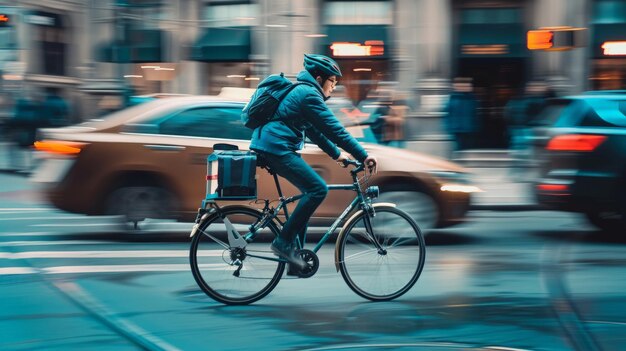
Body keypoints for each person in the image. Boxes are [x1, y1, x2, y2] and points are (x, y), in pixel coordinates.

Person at [250, 54, 378, 270]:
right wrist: (363, 155)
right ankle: (282, 243)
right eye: (333, 81)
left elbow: (315, 131)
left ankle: (294, 259)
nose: (334, 87)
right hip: (276, 147)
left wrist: (337, 155)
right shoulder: (308, 94)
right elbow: (335, 129)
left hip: (275, 146)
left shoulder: (303, 93)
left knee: (309, 194)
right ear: (319, 79)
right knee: (317, 189)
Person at [443, 77, 479, 151]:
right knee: (460, 147)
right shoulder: (452, 98)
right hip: (458, 128)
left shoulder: (471, 98)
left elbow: (475, 114)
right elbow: (448, 112)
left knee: (466, 147)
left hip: (467, 128)